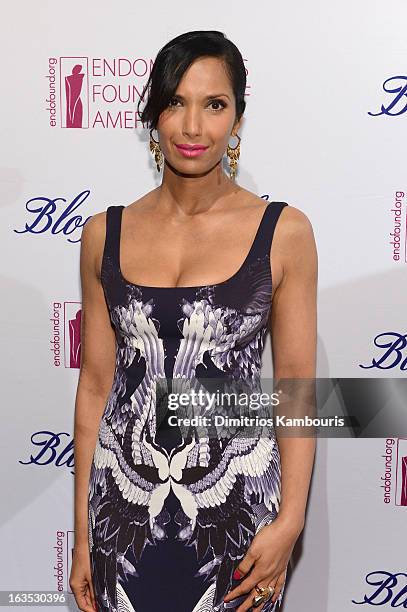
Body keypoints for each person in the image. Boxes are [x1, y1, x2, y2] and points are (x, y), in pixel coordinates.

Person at [69, 30, 317, 612]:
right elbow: (95, 386)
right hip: (121, 519)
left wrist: (290, 522)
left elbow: (297, 391)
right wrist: (82, 533)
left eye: (214, 105)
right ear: (155, 111)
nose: (192, 127)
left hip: (235, 517)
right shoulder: (104, 234)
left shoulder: (283, 233)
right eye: (175, 101)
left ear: (237, 119)